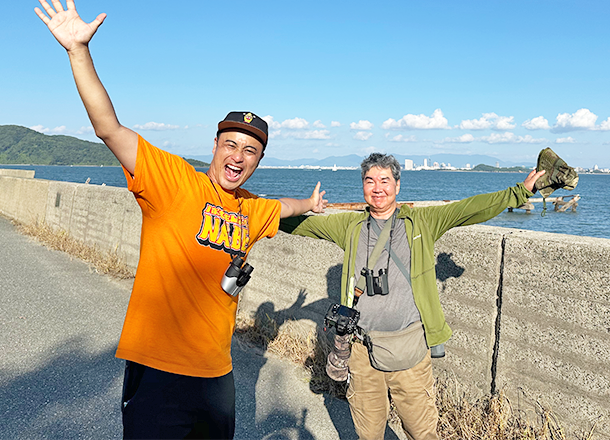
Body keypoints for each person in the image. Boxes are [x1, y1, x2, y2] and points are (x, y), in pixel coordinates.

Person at [35, 1, 327, 439]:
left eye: (251, 152)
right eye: (231, 144)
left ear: (259, 161)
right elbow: (109, 128)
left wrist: (309, 203)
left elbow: (282, 207)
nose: (238, 157)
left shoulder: (251, 207)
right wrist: (78, 51)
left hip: (217, 373)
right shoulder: (172, 181)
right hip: (158, 369)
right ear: (214, 145)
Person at [281, 153, 545, 440]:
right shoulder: (349, 227)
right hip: (361, 350)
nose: (377, 187)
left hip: (410, 351)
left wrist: (521, 191)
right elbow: (299, 226)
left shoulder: (422, 222)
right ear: (363, 187)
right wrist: (255, 211)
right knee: (368, 433)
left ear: (397, 186)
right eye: (370, 181)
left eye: (385, 180)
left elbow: (471, 208)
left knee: (422, 433)